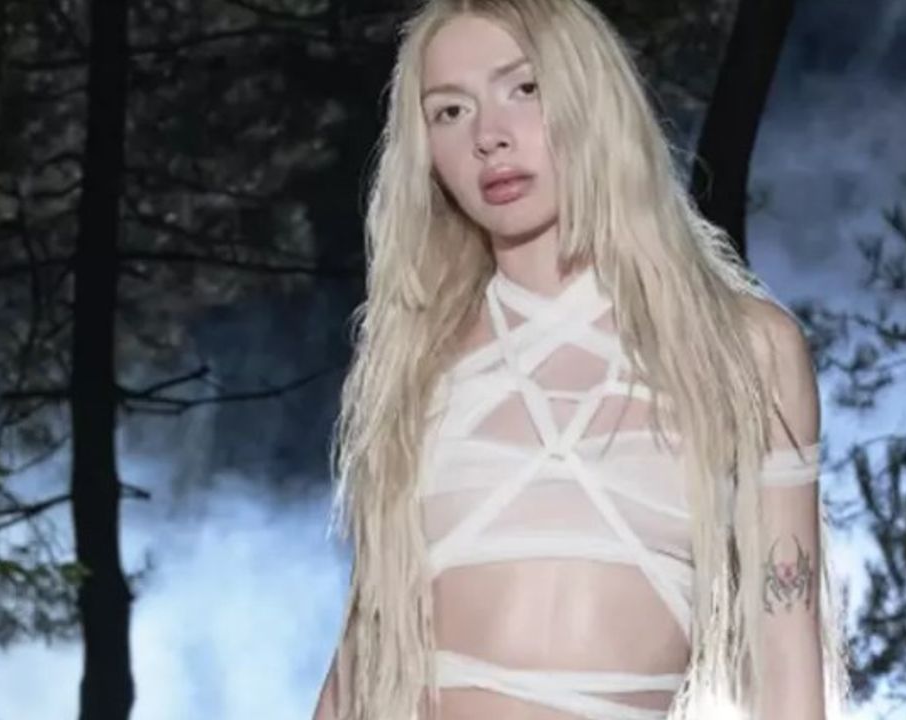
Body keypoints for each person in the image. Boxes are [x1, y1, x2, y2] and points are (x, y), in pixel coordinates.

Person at [313, 1, 850, 718]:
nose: (488, 137)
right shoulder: (417, 361)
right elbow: (362, 656)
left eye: (524, 88)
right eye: (449, 112)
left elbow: (787, 647)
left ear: (592, 95)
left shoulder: (746, 350)